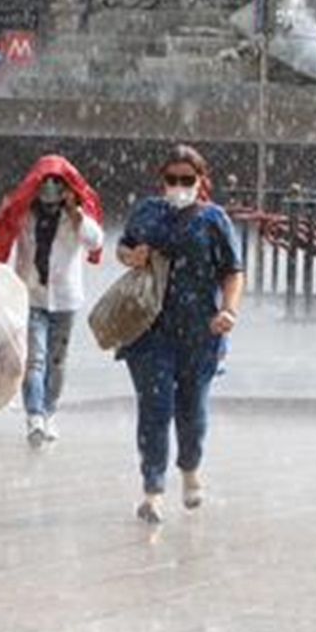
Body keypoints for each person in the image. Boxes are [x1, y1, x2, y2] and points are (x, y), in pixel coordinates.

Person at [114, 144, 245, 524]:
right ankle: (152, 491)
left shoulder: (214, 220)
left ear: (202, 181)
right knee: (154, 410)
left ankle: (190, 469)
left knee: (192, 411)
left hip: (200, 332)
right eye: (172, 179)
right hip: (148, 330)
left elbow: (233, 271)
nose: (179, 186)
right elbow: (122, 247)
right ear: (162, 180)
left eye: (187, 179)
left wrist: (228, 310)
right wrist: (130, 256)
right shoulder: (147, 212)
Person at [0, 155, 105, 449]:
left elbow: (95, 241)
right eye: (45, 183)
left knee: (57, 362)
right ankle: (34, 415)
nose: (50, 190)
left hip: (65, 300)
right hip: (31, 296)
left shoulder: (76, 218)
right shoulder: (23, 213)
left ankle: (49, 411)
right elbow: (1, 235)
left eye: (58, 184)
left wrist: (75, 212)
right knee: (33, 359)